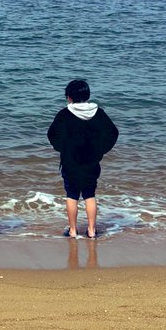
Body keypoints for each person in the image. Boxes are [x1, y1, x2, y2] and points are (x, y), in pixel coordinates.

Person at [48, 78, 118, 239]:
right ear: (87, 96)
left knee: (72, 195)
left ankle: (73, 230)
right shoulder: (98, 113)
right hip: (91, 161)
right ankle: (92, 230)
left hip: (70, 161)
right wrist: (100, 150)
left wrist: (64, 149)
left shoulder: (64, 114)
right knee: (89, 195)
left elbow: (52, 135)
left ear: (69, 97)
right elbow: (112, 133)